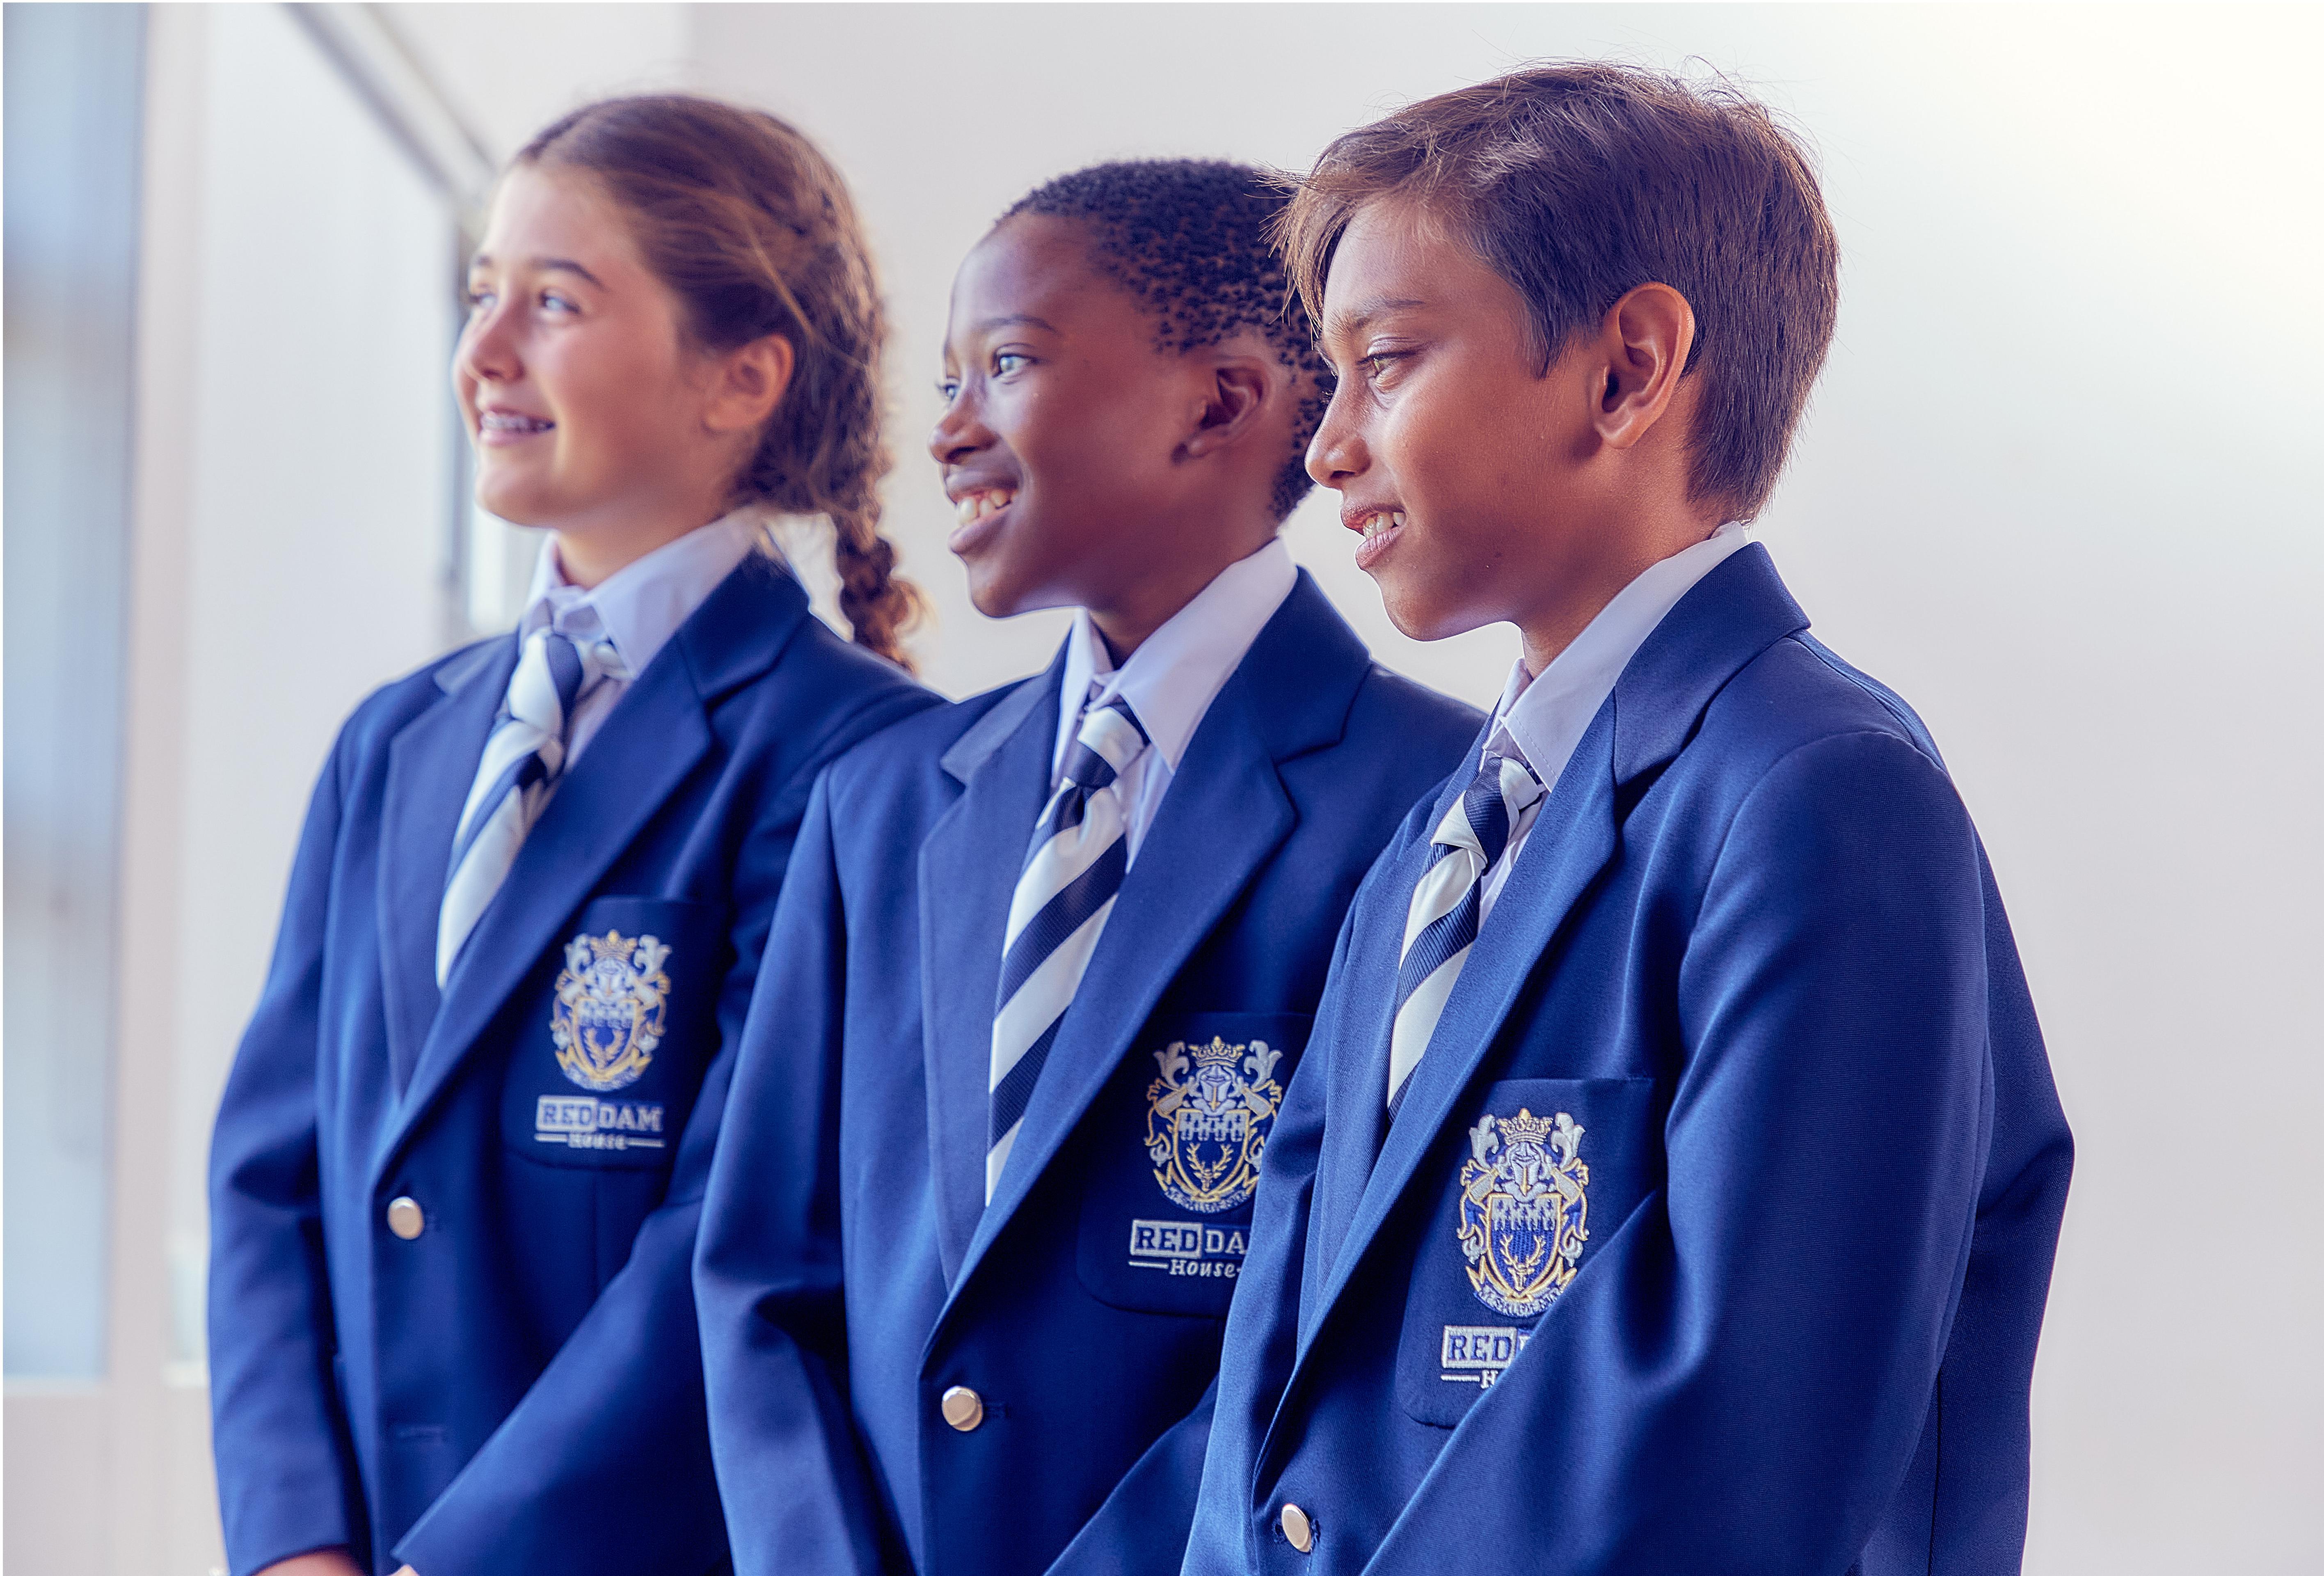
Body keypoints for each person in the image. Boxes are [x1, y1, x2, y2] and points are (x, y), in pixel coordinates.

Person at [1183, 64, 2073, 1576]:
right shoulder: (1434, 843)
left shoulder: (1819, 798)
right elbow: (1271, 1375)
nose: (1325, 446)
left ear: (1630, 369)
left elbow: (1735, 1438)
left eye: (1386, 362)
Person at [693, 160, 1483, 1576]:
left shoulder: (1436, 802)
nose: (948, 431)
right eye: (946, 378)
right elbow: (764, 1276)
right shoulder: (879, 805)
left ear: (1226, 403)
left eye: (1005, 364)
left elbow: (1355, 1330)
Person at [206, 95, 937, 1576]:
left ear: (742, 377)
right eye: (483, 297)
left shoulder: (860, 761)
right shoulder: (395, 744)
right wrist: (297, 1543)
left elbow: (736, 1238)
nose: (482, 355)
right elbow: (268, 1180)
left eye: (553, 302)